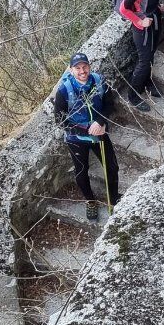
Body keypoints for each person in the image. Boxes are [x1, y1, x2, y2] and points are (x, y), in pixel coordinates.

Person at [53, 53, 120, 221]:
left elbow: (109, 104)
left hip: (100, 132)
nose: (82, 71)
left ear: (89, 66)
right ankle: (90, 201)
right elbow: (61, 121)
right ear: (71, 69)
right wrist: (88, 130)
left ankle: (114, 198)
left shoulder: (99, 81)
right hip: (76, 139)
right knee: (82, 172)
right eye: (78, 68)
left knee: (112, 167)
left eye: (85, 67)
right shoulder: (64, 91)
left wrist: (100, 121)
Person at [118, 0, 164, 112]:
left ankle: (148, 82)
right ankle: (132, 95)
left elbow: (146, 0)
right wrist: (140, 21)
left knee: (151, 55)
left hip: (153, 22)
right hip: (142, 30)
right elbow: (124, 9)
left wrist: (157, 7)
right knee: (144, 61)